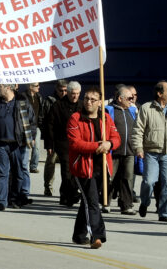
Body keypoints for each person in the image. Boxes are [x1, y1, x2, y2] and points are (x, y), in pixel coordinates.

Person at [67, 86, 121, 249]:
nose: (88, 102)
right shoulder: (75, 118)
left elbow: (116, 138)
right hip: (83, 167)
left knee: (87, 201)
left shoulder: (105, 118)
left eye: (92, 99)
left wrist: (110, 144)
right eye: (86, 99)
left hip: (102, 167)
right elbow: (75, 143)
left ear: (99, 102)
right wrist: (99, 146)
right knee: (92, 201)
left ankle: (78, 234)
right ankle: (97, 236)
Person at [131, 80, 167, 222]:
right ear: (159, 93)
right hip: (151, 152)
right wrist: (138, 148)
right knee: (149, 182)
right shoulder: (146, 108)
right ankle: (144, 202)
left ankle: (164, 212)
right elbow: (138, 130)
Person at [46, 80, 80, 205]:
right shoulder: (58, 105)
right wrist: (49, 144)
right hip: (63, 143)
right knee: (66, 171)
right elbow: (50, 125)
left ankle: (68, 194)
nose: (75, 96)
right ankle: (67, 196)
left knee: (76, 171)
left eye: (77, 93)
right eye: (72, 93)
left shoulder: (82, 106)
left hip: (79, 144)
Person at [105, 85, 137, 214]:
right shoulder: (109, 110)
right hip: (113, 151)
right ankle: (105, 203)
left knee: (127, 179)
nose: (132, 100)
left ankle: (126, 205)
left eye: (133, 98)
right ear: (119, 98)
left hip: (129, 151)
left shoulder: (132, 111)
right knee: (109, 178)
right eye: (129, 98)